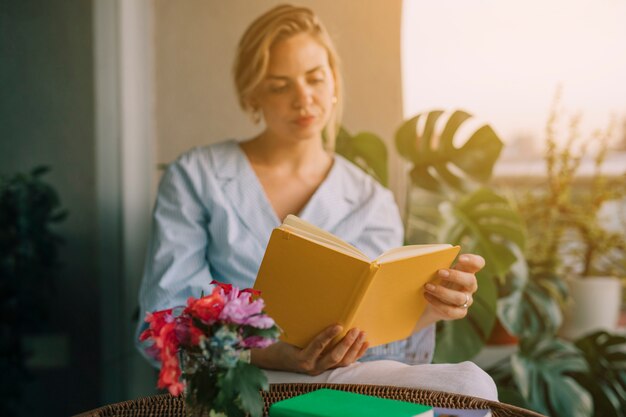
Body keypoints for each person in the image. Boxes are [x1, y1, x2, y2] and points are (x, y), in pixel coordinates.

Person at [136, 4, 498, 401]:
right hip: (245, 382)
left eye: (315, 79)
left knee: (471, 387)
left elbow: (383, 343)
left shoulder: (370, 198)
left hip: (346, 381)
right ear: (251, 93)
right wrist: (272, 354)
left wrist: (428, 309)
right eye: (279, 85)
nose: (303, 99)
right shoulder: (196, 177)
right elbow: (162, 325)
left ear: (334, 82)